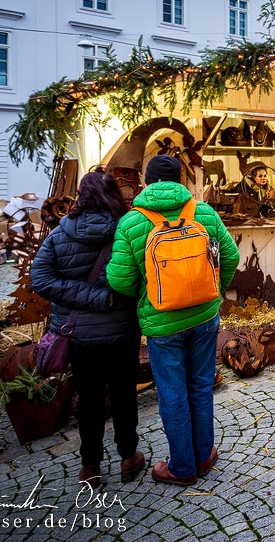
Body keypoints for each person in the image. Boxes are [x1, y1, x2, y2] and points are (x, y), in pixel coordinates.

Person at [107, 155, 240, 485]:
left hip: (162, 322)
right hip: (205, 318)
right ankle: (204, 454)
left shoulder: (132, 222)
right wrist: (214, 291)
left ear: (146, 181)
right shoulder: (202, 212)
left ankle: (182, 467)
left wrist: (149, 291)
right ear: (180, 180)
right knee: (200, 385)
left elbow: (120, 280)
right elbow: (232, 256)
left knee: (173, 393)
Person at [30, 169, 144, 489]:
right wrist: (102, 297)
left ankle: (90, 467)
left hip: (79, 335)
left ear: (81, 196)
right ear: (113, 194)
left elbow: (40, 280)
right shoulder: (126, 231)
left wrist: (85, 298)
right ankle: (128, 457)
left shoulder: (60, 233)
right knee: (124, 395)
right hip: (121, 329)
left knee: (89, 399)